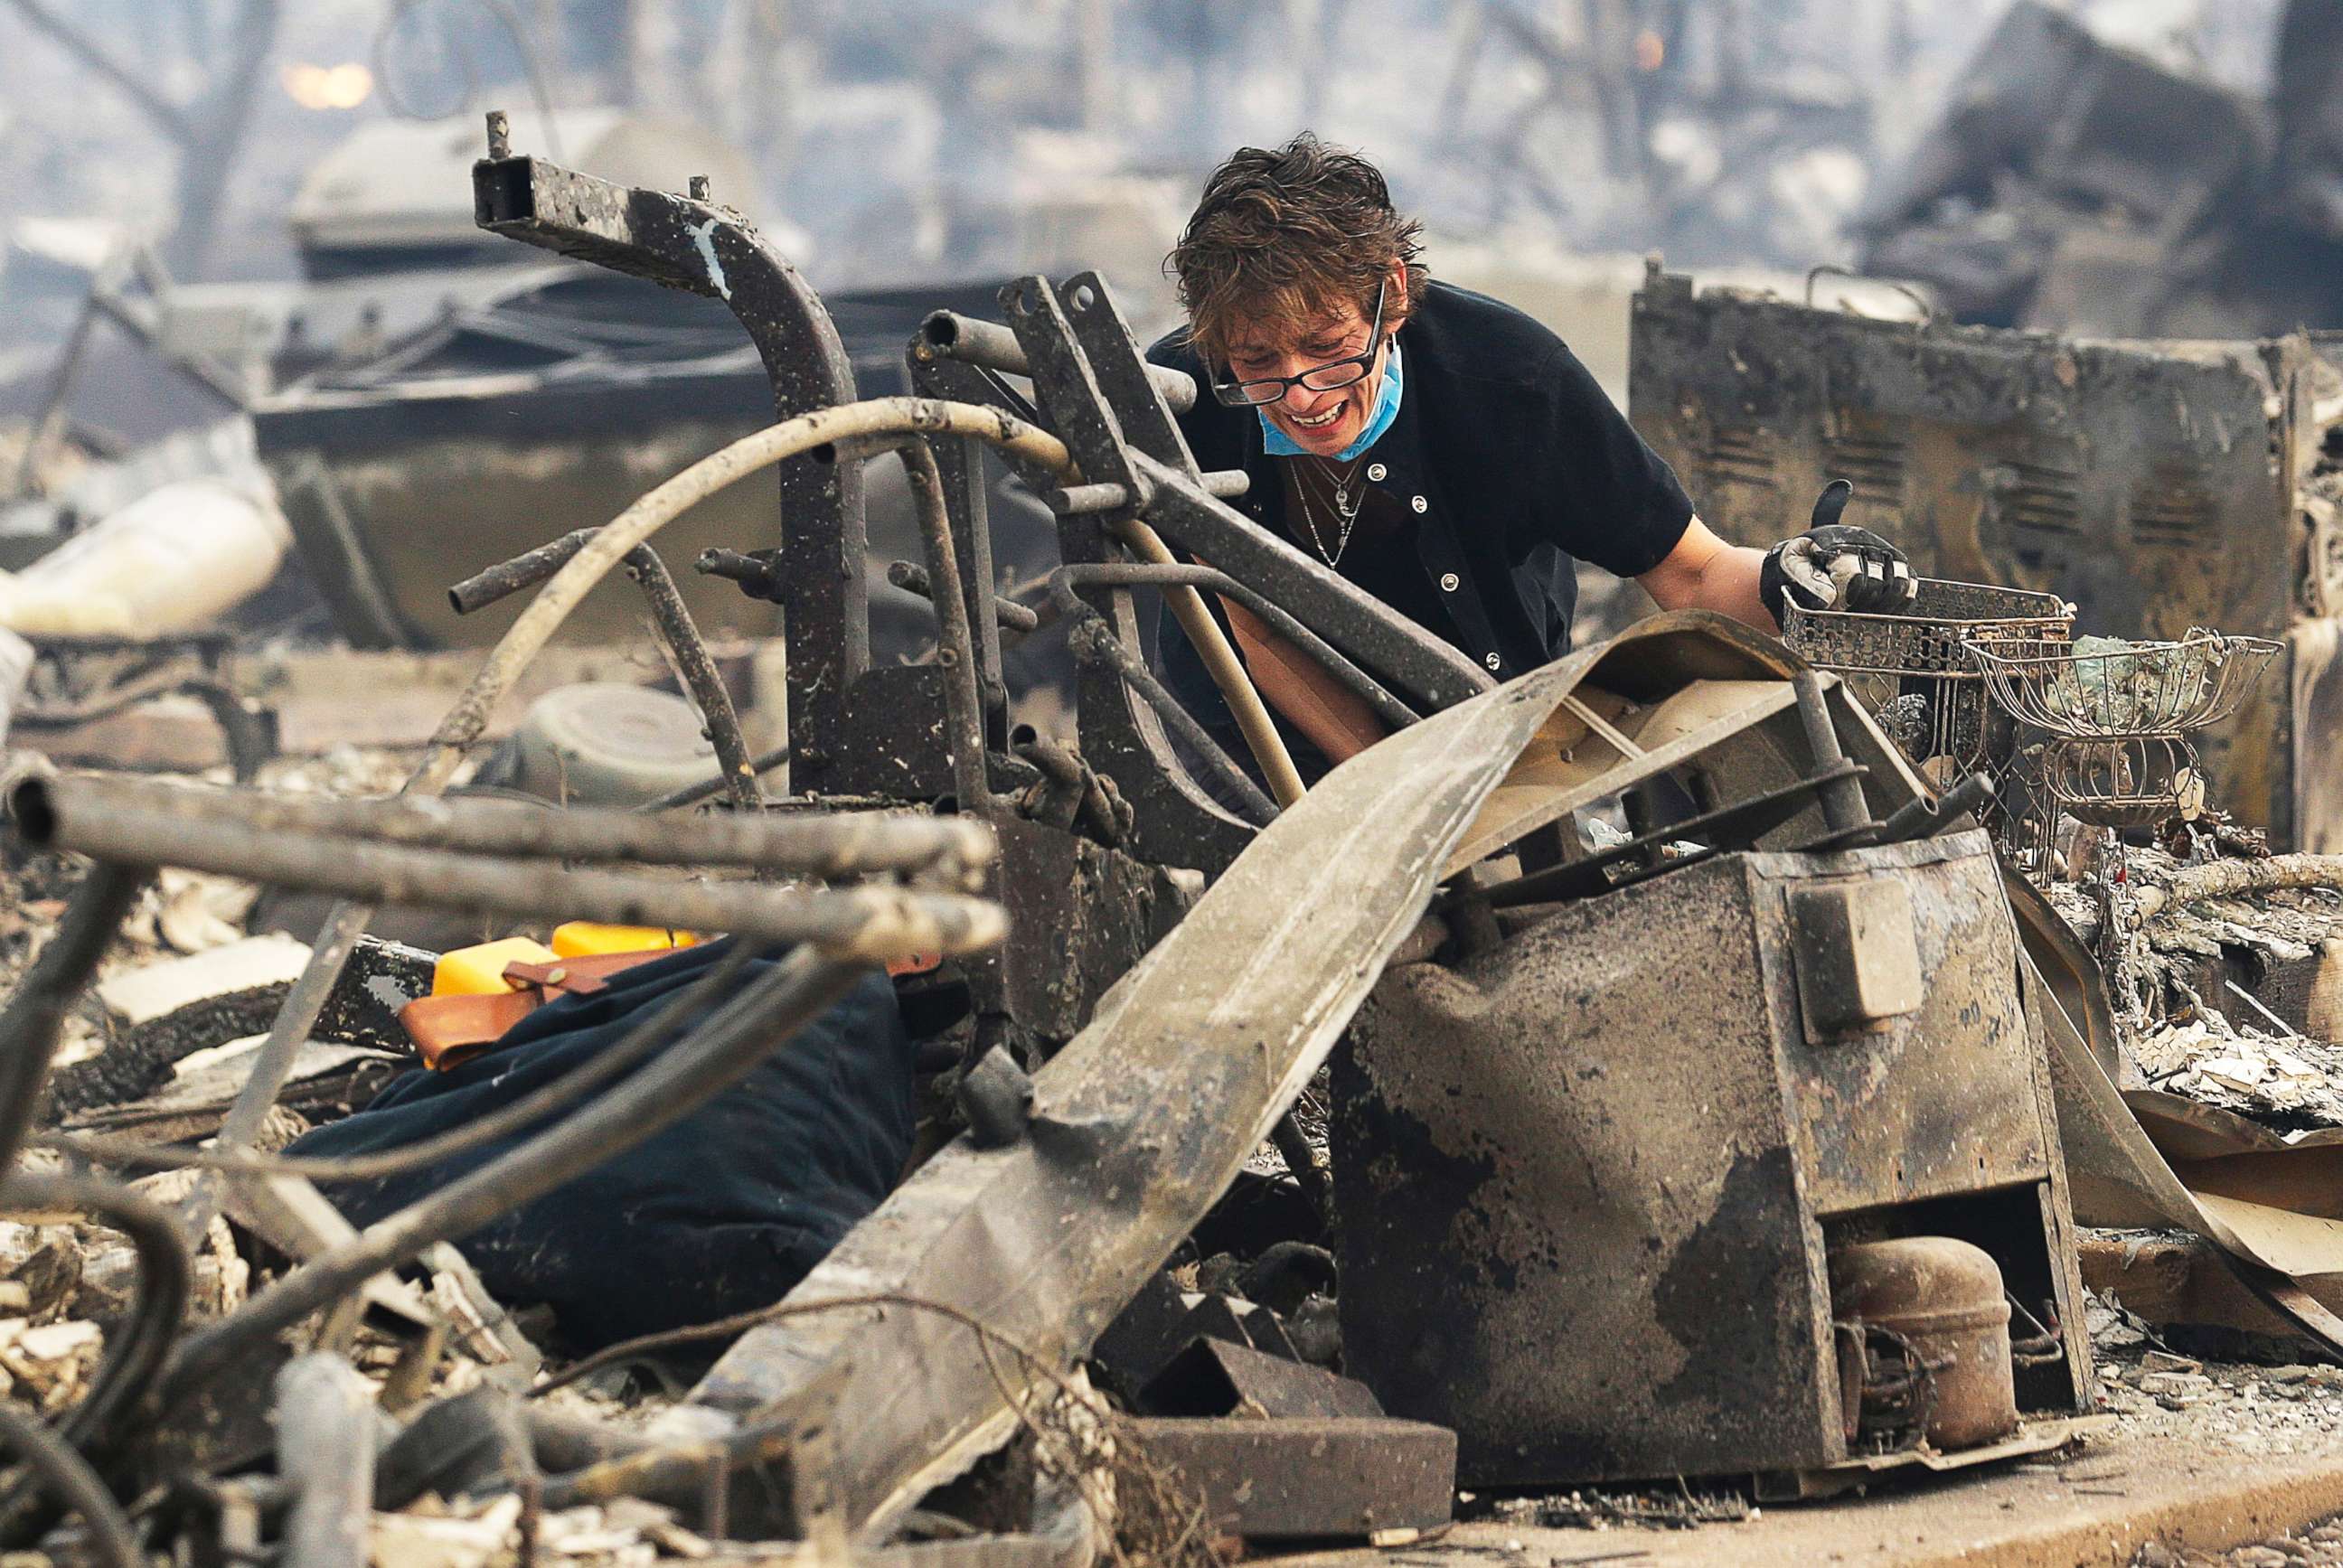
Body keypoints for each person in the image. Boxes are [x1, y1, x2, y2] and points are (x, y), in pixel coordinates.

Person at [1146, 134, 1913, 781]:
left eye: (1328, 348)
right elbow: (1246, 624)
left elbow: (1695, 573)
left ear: (1393, 296)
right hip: (1243, 772)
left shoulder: (1512, 382)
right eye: (1259, 362)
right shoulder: (1179, 397)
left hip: (1489, 757)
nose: (1303, 394)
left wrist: (1794, 577)